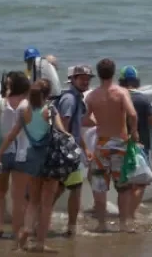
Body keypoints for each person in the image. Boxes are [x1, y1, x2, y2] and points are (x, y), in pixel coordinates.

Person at [0, 79, 70, 252]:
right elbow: (61, 132)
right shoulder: (49, 110)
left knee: (33, 201)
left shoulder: (26, 112)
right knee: (47, 203)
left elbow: (12, 135)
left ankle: (26, 229)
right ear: (48, 94)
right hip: (50, 159)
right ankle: (40, 242)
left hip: (32, 158)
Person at [83, 58, 139, 233]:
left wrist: (97, 123)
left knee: (99, 185)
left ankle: (101, 224)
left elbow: (84, 118)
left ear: (98, 75)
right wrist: (134, 133)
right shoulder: (121, 93)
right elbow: (133, 114)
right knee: (123, 186)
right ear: (114, 73)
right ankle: (123, 224)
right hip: (120, 142)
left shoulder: (92, 96)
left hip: (102, 143)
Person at [119, 65, 152, 221]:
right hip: (140, 147)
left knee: (126, 184)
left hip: (119, 145)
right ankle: (130, 214)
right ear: (137, 81)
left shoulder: (117, 97)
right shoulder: (142, 99)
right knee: (140, 183)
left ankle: (125, 214)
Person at [51, 64, 95, 236]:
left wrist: (85, 148)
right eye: (82, 78)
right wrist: (70, 151)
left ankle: (41, 217)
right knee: (75, 188)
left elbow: (76, 129)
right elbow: (64, 126)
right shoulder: (70, 99)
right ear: (73, 79)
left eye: (88, 78)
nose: (86, 81)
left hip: (68, 150)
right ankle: (71, 227)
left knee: (60, 187)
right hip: (67, 152)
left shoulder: (75, 98)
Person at [0, 71, 30, 238]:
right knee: (19, 196)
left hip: (1, 153)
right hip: (22, 154)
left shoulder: (0, 103)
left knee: (0, 192)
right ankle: (17, 230)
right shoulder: (27, 104)